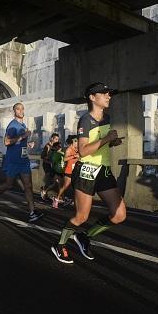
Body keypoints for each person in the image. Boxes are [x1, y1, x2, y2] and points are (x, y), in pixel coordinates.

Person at [51, 83, 126, 264]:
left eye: (110, 94)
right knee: (81, 216)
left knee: (119, 215)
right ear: (92, 97)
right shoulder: (85, 120)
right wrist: (106, 139)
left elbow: (100, 145)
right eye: (104, 93)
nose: (109, 96)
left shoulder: (107, 118)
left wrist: (112, 142)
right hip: (86, 171)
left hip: (104, 171)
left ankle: (84, 236)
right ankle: (60, 245)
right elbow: (83, 151)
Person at [0, 103, 44, 222]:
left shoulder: (23, 125)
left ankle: (32, 212)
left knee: (28, 186)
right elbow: (7, 142)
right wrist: (23, 136)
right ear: (14, 111)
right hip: (13, 161)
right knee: (8, 184)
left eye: (22, 109)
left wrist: (28, 144)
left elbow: (18, 144)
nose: (21, 111)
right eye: (18, 109)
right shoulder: (12, 125)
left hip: (23, 161)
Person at [53, 135, 79, 208]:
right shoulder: (69, 149)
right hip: (69, 171)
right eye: (75, 141)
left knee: (77, 187)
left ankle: (75, 202)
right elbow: (65, 159)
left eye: (77, 141)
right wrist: (74, 156)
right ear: (72, 142)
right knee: (65, 186)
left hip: (75, 170)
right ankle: (57, 199)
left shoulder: (76, 149)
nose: (77, 142)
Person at [40, 133, 59, 199]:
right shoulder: (47, 146)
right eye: (56, 139)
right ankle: (44, 191)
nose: (57, 140)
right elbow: (42, 156)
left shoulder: (56, 146)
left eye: (58, 139)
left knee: (55, 181)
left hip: (53, 165)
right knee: (49, 180)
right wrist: (49, 160)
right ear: (52, 138)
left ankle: (44, 190)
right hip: (47, 165)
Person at [49, 141, 65, 208]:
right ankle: (58, 200)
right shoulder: (55, 154)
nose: (60, 147)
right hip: (57, 172)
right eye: (58, 146)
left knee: (60, 185)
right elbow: (53, 163)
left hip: (62, 171)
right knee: (60, 186)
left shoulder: (62, 153)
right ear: (55, 147)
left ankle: (61, 199)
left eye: (60, 146)